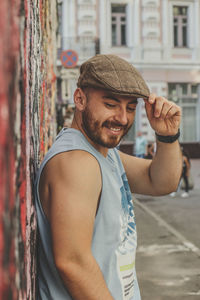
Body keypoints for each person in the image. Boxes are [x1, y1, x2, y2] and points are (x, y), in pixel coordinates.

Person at [35, 54, 182, 300]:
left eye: (131, 108)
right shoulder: (77, 162)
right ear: (80, 99)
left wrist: (167, 136)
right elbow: (73, 262)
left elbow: (160, 182)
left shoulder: (104, 153)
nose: (122, 118)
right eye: (111, 105)